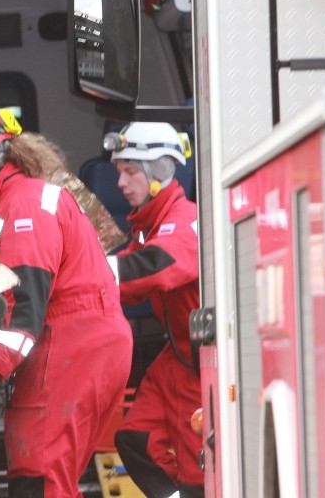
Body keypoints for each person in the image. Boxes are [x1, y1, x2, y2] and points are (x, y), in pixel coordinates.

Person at [0, 106, 133, 497]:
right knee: (51, 478)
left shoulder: (23, 207)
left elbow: (26, 300)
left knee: (38, 478)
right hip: (85, 345)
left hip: (72, 347)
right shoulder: (15, 201)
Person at [104, 121, 203, 498]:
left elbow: (154, 269)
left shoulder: (184, 222)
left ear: (159, 173)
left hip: (200, 362)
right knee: (133, 439)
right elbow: (124, 278)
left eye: (130, 172)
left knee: (201, 475)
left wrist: (92, 272)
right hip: (177, 358)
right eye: (119, 172)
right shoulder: (151, 228)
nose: (121, 183)